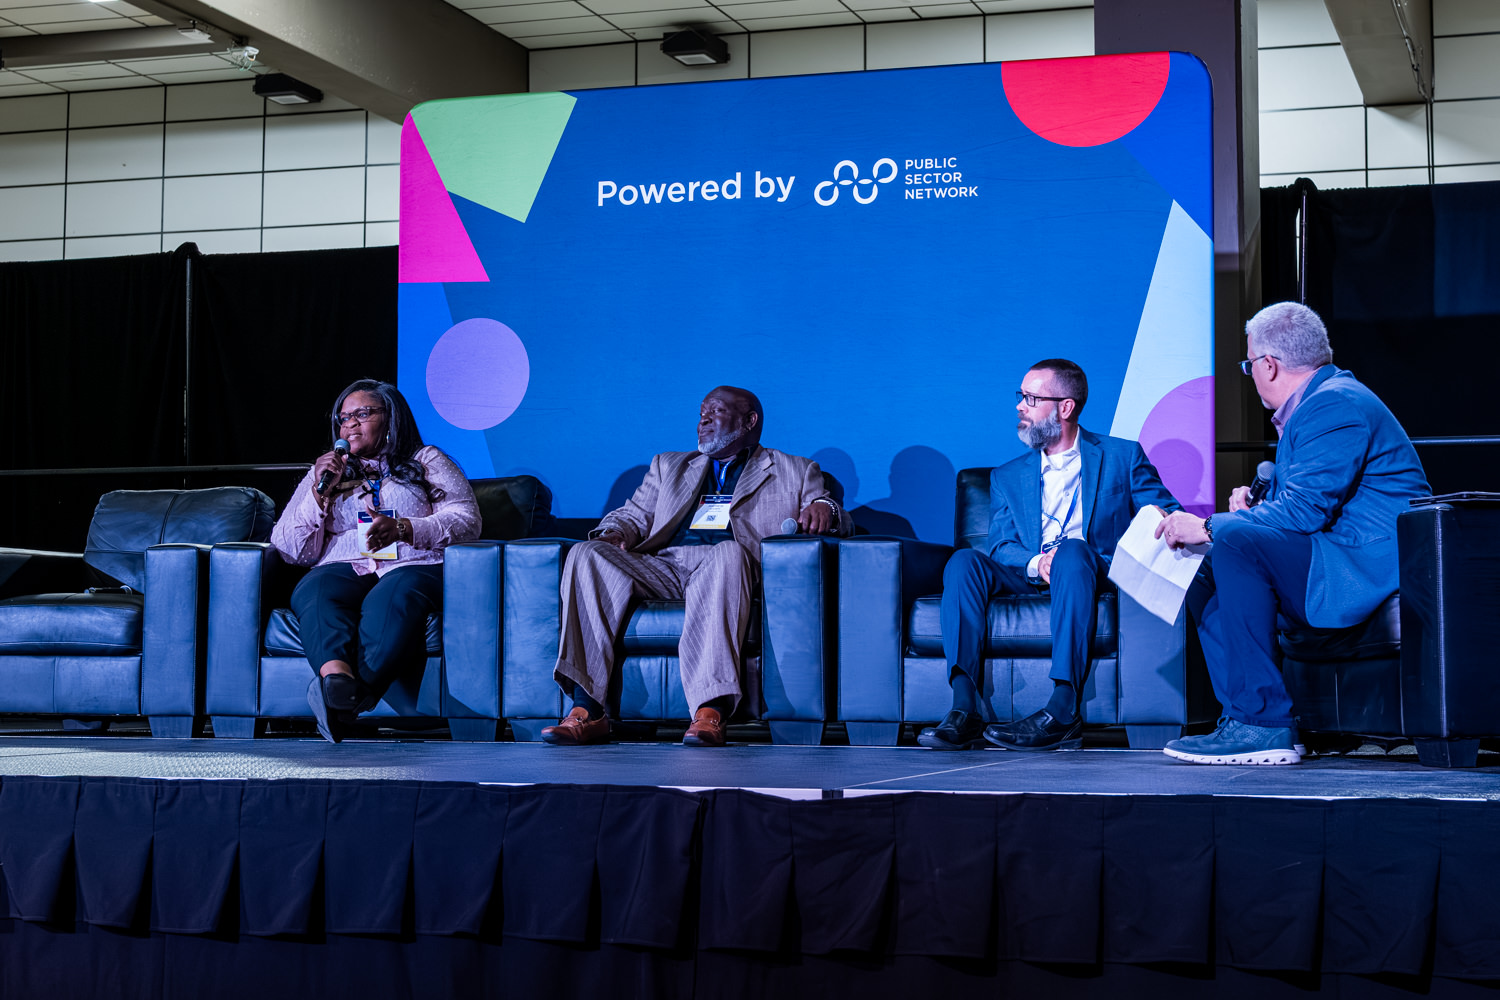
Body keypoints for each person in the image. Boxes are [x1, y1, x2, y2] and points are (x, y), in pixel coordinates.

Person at [1156, 302, 1429, 765]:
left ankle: (1262, 724)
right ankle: (1242, 715)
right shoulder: (1318, 402)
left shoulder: (1334, 404)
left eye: (1248, 365)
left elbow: (1303, 514)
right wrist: (1253, 512)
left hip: (1364, 564)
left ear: (1268, 365)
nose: (1251, 375)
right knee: (1203, 567)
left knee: (1233, 541)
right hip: (1332, 548)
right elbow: (1305, 505)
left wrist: (1208, 525)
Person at [541, 385, 850, 748]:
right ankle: (587, 709)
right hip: (665, 566)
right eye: (702, 412)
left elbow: (833, 512)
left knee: (728, 553)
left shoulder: (794, 469)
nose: (703, 420)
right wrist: (614, 533)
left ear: (749, 420)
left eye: (715, 411)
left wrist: (827, 508)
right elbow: (632, 515)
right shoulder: (669, 465)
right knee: (586, 553)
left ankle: (709, 711)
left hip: (729, 568)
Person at [920, 359, 1179, 751]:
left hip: (1088, 570)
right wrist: (1037, 563)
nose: (1019, 406)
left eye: (1030, 398)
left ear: (1065, 407)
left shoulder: (1122, 456)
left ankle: (1062, 709)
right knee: (963, 562)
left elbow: (1168, 515)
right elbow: (1000, 546)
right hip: (1029, 573)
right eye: (1021, 396)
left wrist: (1158, 517)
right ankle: (963, 708)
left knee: (1072, 551)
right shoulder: (1006, 476)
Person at [270, 379, 481, 743]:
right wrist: (319, 495)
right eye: (343, 417)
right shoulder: (326, 472)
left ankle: (343, 700)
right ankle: (336, 677)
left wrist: (404, 528)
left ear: (390, 419)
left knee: (395, 593)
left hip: (414, 563)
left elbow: (466, 521)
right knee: (316, 589)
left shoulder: (426, 460)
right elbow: (289, 548)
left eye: (362, 414)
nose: (349, 424)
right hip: (348, 564)